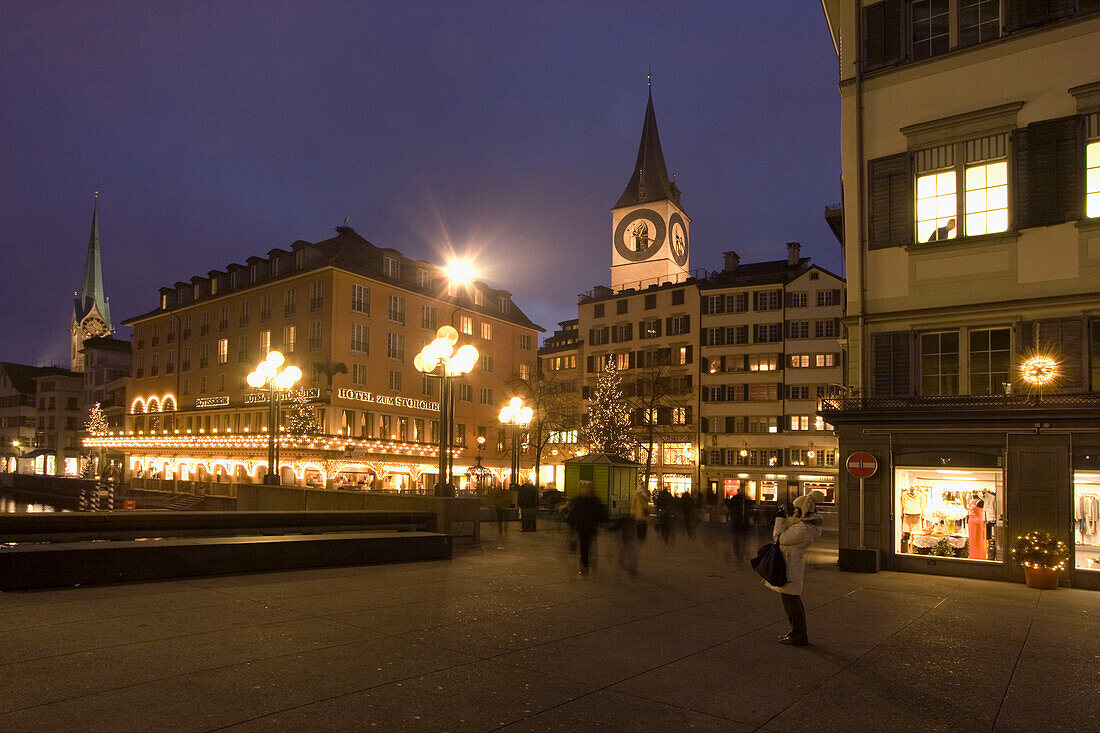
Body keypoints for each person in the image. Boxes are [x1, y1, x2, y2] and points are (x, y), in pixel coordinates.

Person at [765, 491, 824, 646]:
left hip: (790, 566)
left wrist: (779, 519)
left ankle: (798, 634)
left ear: (802, 510)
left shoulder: (803, 528)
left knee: (791, 600)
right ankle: (796, 632)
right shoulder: (801, 525)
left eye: (796, 508)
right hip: (789, 563)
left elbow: (779, 538)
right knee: (791, 599)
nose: (794, 511)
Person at [567, 480, 606, 575]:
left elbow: (600, 513)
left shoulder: (594, 500)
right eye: (583, 488)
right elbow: (572, 514)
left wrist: (600, 523)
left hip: (591, 527)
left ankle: (590, 563)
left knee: (591, 546)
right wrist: (572, 526)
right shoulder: (577, 500)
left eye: (587, 488)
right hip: (581, 527)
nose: (585, 490)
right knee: (584, 547)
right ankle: (584, 565)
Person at [725, 488, 752, 563]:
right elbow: (750, 510)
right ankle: (741, 553)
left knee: (737, 538)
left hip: (737, 521)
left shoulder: (735, 499)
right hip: (742, 521)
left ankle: (738, 553)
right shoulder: (746, 499)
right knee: (742, 538)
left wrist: (729, 517)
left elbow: (729, 509)